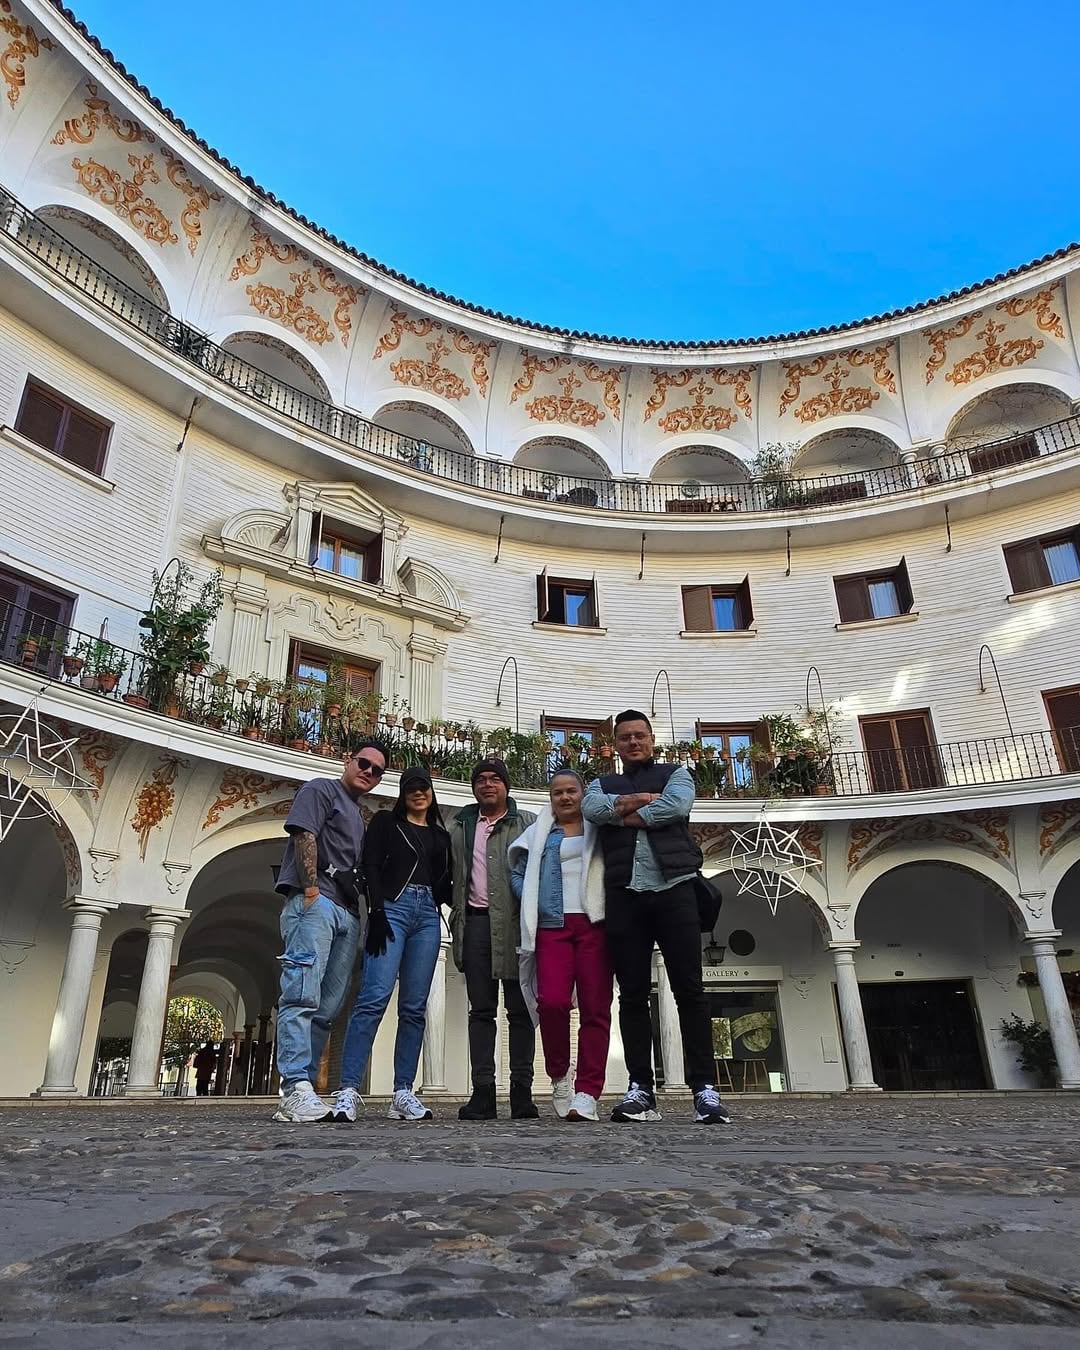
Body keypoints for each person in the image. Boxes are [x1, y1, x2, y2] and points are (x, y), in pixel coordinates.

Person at [582, 710, 731, 1125]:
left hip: (676, 890)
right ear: (615, 744)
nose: (633, 742)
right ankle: (640, 1089)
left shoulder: (676, 773)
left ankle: (704, 1088)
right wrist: (646, 802)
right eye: (625, 737)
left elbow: (678, 805)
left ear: (652, 739)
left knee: (690, 991)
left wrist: (625, 813)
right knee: (630, 995)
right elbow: (593, 809)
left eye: (640, 735)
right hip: (624, 895)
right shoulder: (600, 784)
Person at [325, 768, 452, 1123]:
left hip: (427, 914)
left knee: (414, 1006)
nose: (417, 793)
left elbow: (446, 884)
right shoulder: (385, 822)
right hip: (392, 910)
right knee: (373, 998)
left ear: (431, 792)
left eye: (423, 787)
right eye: (410, 787)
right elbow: (370, 865)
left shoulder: (441, 836)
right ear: (402, 793)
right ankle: (348, 1089)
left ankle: (402, 1091)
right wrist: (377, 910)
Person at [271, 742, 386, 1123]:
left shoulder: (360, 813)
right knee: (301, 993)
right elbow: (305, 834)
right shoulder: (321, 789)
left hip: (347, 913)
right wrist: (310, 890)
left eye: (378, 770)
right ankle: (294, 1088)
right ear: (347, 761)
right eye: (364, 763)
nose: (369, 772)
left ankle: (303, 1088)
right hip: (317, 904)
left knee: (328, 1007)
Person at [509, 768, 612, 1122]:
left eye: (572, 791)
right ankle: (558, 1075)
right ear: (550, 798)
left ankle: (587, 1091)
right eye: (558, 792)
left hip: (594, 924)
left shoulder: (601, 828)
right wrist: (533, 902)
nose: (565, 797)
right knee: (551, 1002)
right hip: (552, 925)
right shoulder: (540, 832)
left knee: (596, 1008)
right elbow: (517, 870)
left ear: (583, 793)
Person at [448, 757, 537, 1120]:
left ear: (506, 786)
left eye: (495, 779)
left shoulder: (527, 822)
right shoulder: (459, 825)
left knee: (520, 1012)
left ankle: (522, 1093)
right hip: (477, 925)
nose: (487, 785)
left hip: (517, 926)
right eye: (481, 779)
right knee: (481, 1011)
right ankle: (483, 1092)